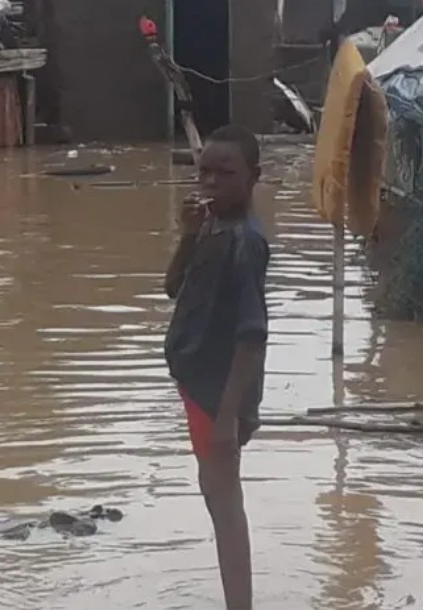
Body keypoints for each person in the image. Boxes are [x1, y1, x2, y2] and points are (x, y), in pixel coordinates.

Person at [163, 124, 269, 610]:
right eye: (203, 171)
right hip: (199, 383)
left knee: (225, 506)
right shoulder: (211, 228)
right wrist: (187, 237)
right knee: (216, 495)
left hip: (218, 391)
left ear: (253, 178)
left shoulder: (245, 243)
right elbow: (172, 287)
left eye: (225, 174)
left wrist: (228, 416)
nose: (210, 183)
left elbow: (252, 335)